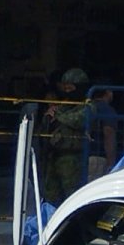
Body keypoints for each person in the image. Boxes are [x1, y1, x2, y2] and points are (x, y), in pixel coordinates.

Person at [42, 67, 92, 204]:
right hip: (55, 154)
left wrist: (57, 115)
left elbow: (76, 120)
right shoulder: (65, 104)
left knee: (72, 196)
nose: (68, 91)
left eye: (71, 88)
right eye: (66, 88)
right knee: (51, 194)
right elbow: (50, 118)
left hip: (73, 157)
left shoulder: (88, 106)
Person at [88, 87, 117, 180]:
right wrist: (111, 161)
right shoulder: (107, 110)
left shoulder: (87, 107)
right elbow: (108, 133)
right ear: (107, 92)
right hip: (98, 156)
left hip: (83, 155)